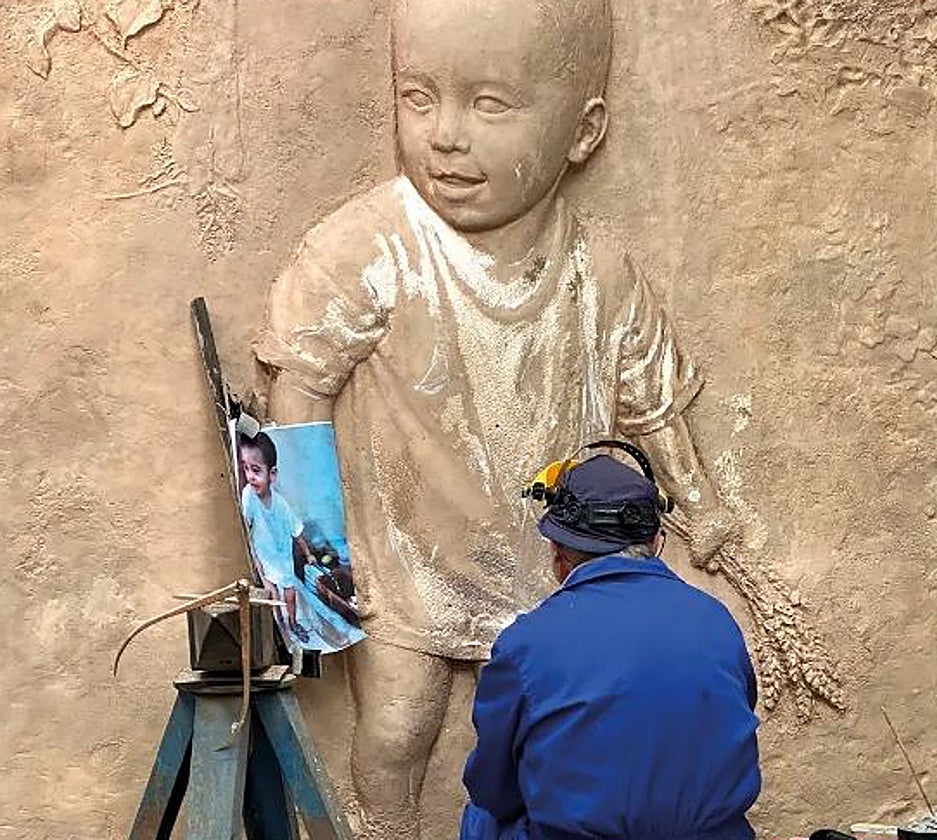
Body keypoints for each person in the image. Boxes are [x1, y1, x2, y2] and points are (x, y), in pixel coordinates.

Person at [253, 0, 740, 832]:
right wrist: (314, 558)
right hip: (403, 557)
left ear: (583, 132)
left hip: (549, 562)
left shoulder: (600, 269)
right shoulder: (364, 246)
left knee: (553, 733)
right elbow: (298, 390)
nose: (446, 136)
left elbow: (648, 400)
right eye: (419, 97)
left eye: (489, 104)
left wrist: (700, 500)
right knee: (397, 732)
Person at [460, 446, 761, 840]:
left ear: (557, 552)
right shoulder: (717, 621)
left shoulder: (526, 644)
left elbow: (492, 788)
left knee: (483, 817)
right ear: (655, 539)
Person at [238, 431, 314, 643]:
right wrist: (257, 565)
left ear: (272, 474)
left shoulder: (281, 505)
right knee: (272, 596)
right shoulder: (249, 496)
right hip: (264, 561)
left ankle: (293, 622)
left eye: (255, 470)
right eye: (245, 469)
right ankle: (279, 629)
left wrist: (308, 554)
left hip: (283, 559)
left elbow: (297, 533)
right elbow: (245, 529)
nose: (250, 476)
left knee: (290, 593)